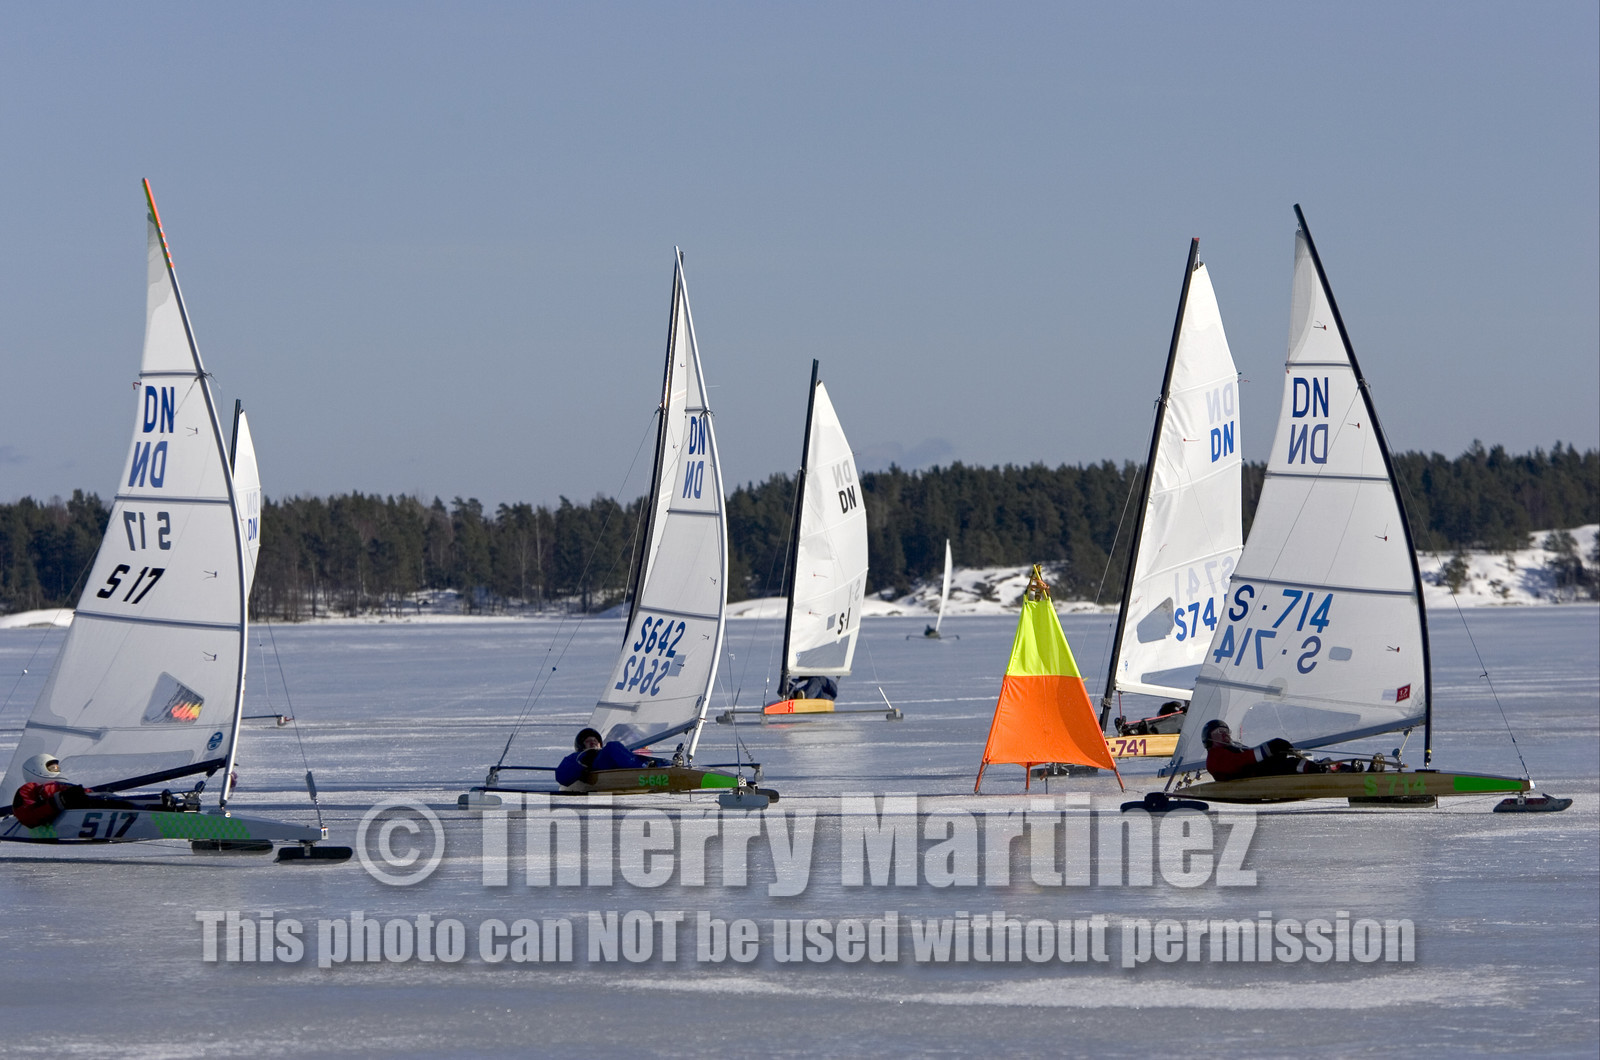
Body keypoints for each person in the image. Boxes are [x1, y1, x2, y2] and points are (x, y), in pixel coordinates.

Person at [8, 754, 147, 828]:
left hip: (84, 808)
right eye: (51, 768)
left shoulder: (61, 785)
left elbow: (85, 794)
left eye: (57, 767)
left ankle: (154, 807)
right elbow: (27, 816)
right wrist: (58, 801)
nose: (56, 770)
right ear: (37, 769)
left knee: (110, 798)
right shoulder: (29, 789)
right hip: (71, 815)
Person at [1201, 720, 1328, 781]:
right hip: (1252, 777)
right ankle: (1322, 772)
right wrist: (1270, 748)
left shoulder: (1234, 747)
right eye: (1219, 732)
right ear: (1209, 738)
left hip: (1258, 773)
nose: (1225, 735)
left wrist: (1274, 751)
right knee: (1290, 766)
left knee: (1287, 761)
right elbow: (1241, 761)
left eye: (1226, 731)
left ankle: (1325, 767)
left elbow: (1250, 754)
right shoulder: (1215, 756)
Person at [554, 728, 662, 788]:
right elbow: (561, 777)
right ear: (581, 746)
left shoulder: (608, 752)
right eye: (588, 741)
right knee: (612, 746)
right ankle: (644, 771)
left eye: (595, 741)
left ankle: (664, 769)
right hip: (597, 767)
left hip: (617, 768)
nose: (593, 743)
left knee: (624, 752)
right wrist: (581, 763)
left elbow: (630, 759)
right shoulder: (577, 757)